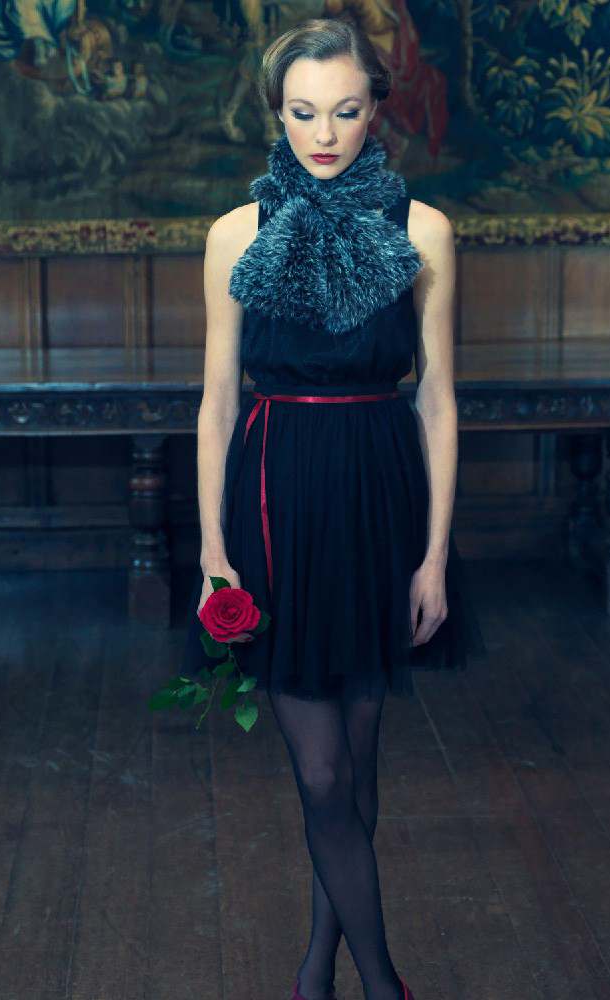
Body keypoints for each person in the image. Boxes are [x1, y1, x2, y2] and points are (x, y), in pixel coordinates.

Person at [183, 16, 486, 1000]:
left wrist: (433, 555)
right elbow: (216, 402)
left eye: (345, 111)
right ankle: (385, 985)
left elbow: (437, 399)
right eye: (303, 112)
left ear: (375, 109)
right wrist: (212, 551)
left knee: (354, 766)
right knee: (319, 774)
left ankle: (316, 972)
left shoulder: (423, 231)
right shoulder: (235, 235)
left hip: (378, 497)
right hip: (275, 496)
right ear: (275, 112)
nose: (323, 134)